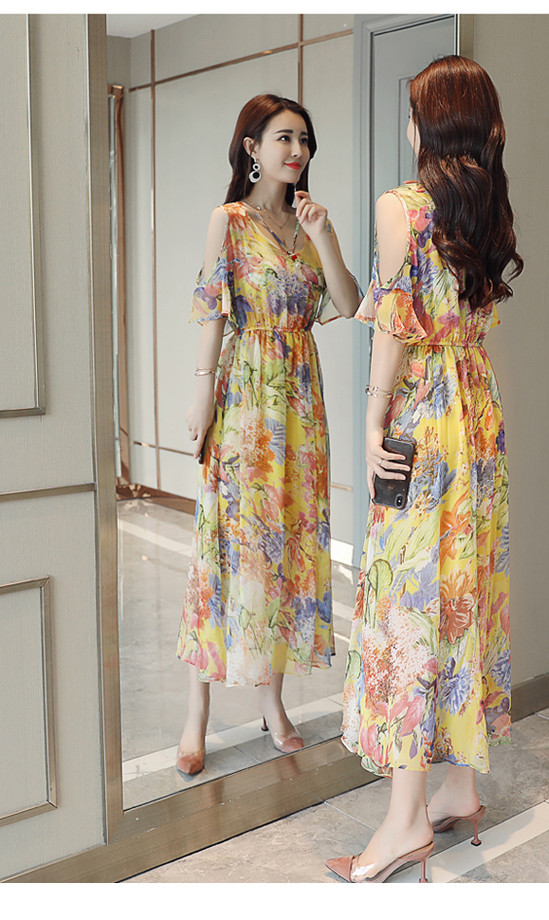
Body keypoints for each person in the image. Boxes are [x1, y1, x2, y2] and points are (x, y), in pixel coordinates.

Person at [326, 55, 523, 883]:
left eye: (414, 113)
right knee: (464, 588)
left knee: (406, 604)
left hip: (426, 421)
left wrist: (373, 417)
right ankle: (460, 785)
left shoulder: (402, 206)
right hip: (477, 415)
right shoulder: (489, 204)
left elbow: (395, 327)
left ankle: (405, 822)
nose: (408, 126)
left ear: (430, 124)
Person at [176, 94, 360, 775]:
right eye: (284, 137)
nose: (297, 150)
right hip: (245, 401)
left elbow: (349, 304)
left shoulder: (309, 225)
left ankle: (272, 702)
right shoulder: (229, 221)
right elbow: (213, 313)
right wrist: (201, 396)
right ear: (252, 147)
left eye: (304, 140)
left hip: (302, 409)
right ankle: (195, 713)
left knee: (285, 549)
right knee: (224, 550)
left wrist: (325, 235)